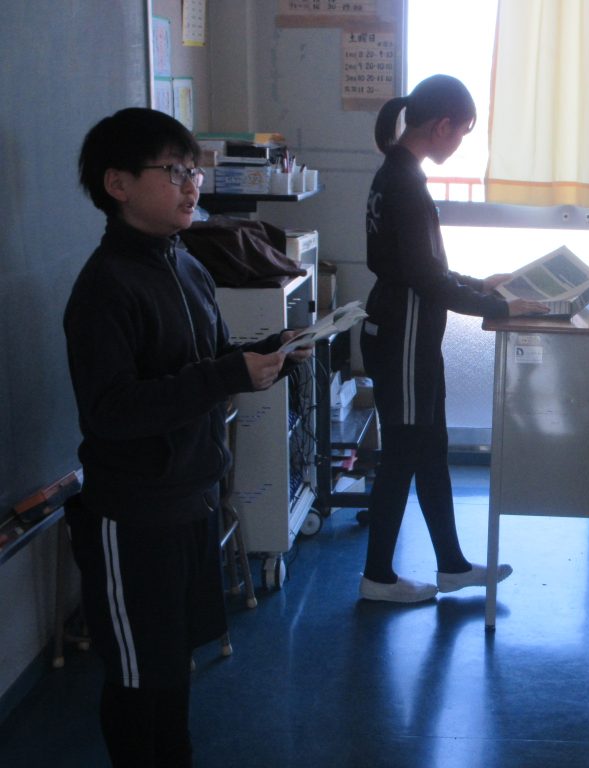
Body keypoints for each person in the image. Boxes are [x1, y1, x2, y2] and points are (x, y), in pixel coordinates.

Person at [64, 107, 312, 766]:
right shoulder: (106, 287)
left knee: (173, 668)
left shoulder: (186, 263)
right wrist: (227, 373)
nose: (192, 185)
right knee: (137, 678)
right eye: (174, 172)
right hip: (133, 514)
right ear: (118, 184)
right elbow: (112, 411)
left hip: (192, 497)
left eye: (193, 172)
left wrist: (271, 351)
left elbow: (203, 363)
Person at [358, 74, 548, 603]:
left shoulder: (397, 173)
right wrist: (499, 305)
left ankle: (452, 566)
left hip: (406, 332)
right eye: (462, 132)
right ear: (442, 126)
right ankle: (377, 577)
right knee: (403, 453)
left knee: (429, 448)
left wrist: (479, 284)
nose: (460, 143)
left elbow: (423, 267)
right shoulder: (405, 182)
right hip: (403, 337)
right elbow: (425, 279)